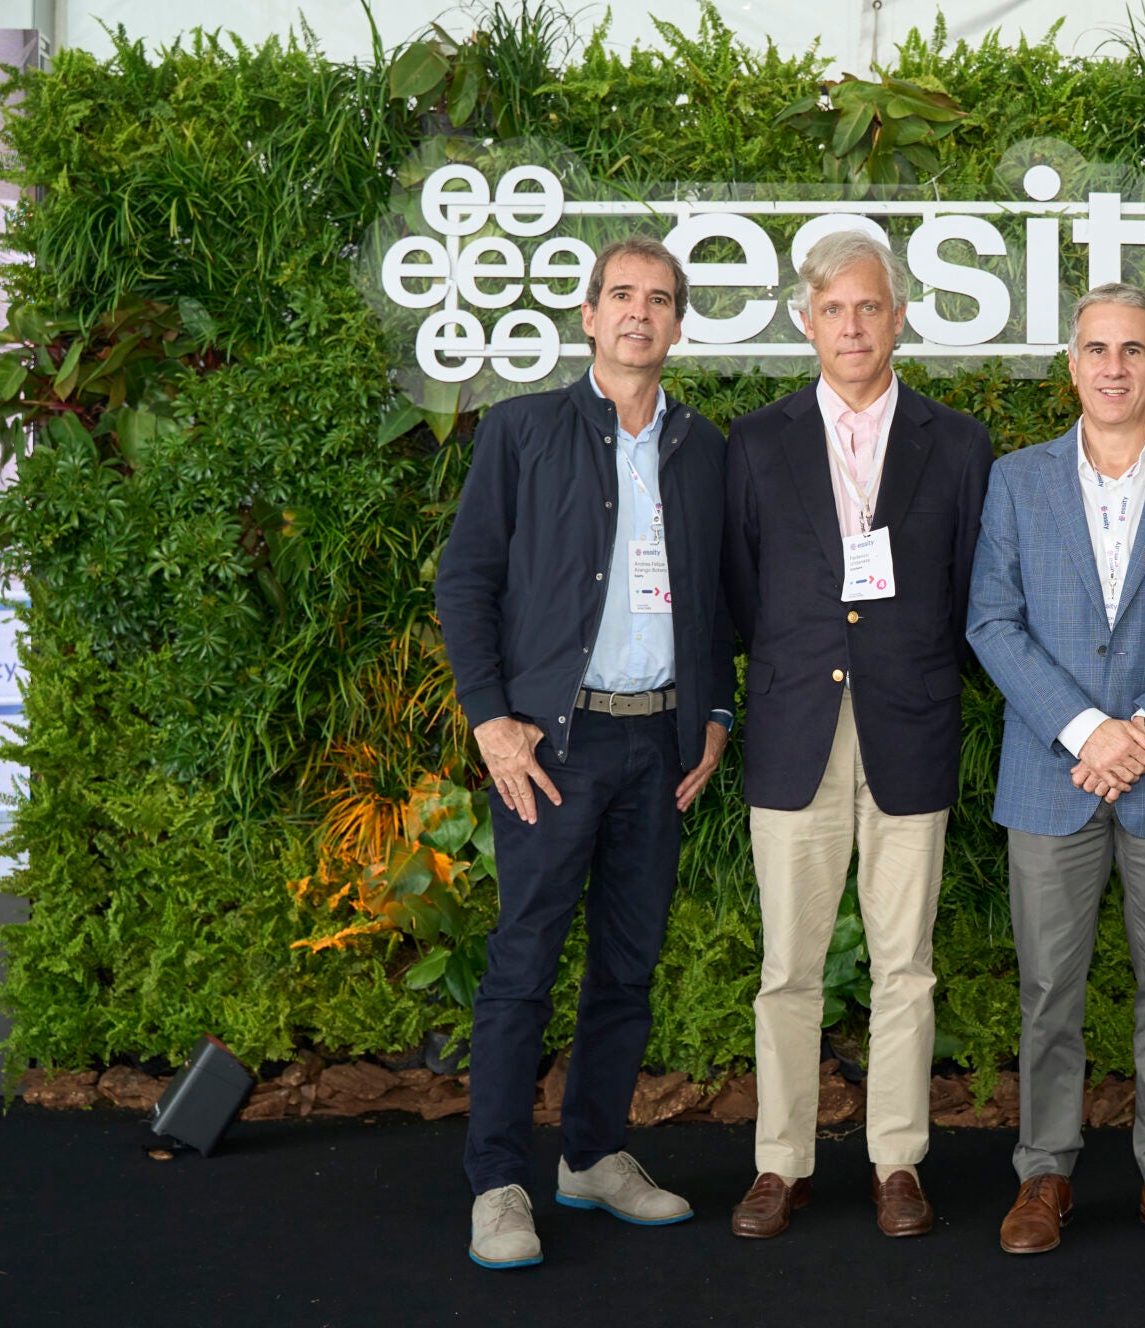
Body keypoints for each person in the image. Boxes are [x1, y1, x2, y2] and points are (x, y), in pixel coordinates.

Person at [435, 235, 735, 1269]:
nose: (640, 313)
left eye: (660, 298)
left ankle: (595, 1153)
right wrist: (490, 717)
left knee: (627, 964)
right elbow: (465, 580)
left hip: (658, 741)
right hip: (552, 747)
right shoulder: (523, 432)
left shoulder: (707, 450)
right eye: (621, 295)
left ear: (678, 325)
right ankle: (500, 1181)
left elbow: (722, 599)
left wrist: (717, 712)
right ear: (589, 316)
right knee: (522, 962)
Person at [966, 282, 1145, 1258]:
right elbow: (991, 623)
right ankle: (1045, 1169)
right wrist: (1087, 728)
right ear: (1073, 365)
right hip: (1054, 773)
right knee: (1051, 986)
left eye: (1133, 350)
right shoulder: (1016, 481)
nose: (1115, 367)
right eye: (1097, 348)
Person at [720, 228, 991, 1239]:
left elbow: (969, 594)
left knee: (905, 964)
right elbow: (741, 597)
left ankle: (897, 1162)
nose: (852, 325)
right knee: (787, 967)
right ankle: (779, 1164)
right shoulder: (755, 441)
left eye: (869, 307)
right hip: (795, 730)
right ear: (807, 320)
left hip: (909, 729)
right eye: (833, 308)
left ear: (901, 317)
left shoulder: (958, 444)